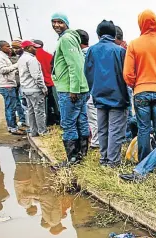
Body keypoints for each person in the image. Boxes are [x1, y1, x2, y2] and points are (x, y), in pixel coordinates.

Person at [123, 9, 156, 162]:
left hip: (141, 92)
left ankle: (145, 161)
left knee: (143, 129)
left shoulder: (134, 45)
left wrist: (137, 85)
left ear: (141, 23)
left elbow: (128, 73)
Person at [85, 20, 130, 167]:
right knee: (115, 131)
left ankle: (104, 159)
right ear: (113, 34)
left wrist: (94, 90)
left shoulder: (92, 50)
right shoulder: (119, 51)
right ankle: (113, 162)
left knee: (102, 129)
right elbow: (126, 75)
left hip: (99, 96)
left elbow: (88, 72)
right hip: (117, 97)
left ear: (98, 35)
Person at [51, 13, 90, 165]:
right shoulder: (71, 39)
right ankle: (81, 153)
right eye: (53, 22)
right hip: (78, 88)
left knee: (68, 124)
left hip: (70, 89)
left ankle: (72, 158)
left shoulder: (66, 39)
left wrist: (73, 89)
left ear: (66, 23)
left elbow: (74, 65)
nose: (56, 25)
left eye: (59, 22)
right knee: (81, 120)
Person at [18, 40, 48, 137]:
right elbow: (37, 76)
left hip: (26, 89)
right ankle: (43, 131)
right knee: (39, 111)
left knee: (31, 111)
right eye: (33, 47)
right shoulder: (31, 59)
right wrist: (44, 88)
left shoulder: (21, 58)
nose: (36, 49)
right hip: (35, 89)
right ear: (28, 48)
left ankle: (33, 131)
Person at [77, 29, 99, 149]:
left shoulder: (82, 55)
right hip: (97, 88)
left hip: (88, 89)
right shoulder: (94, 52)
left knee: (92, 116)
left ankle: (96, 141)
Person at [0, 40, 25, 135]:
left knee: (10, 107)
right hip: (7, 85)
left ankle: (12, 126)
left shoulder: (4, 56)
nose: (9, 48)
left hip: (9, 84)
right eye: (7, 46)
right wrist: (16, 66)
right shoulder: (0, 57)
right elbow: (2, 70)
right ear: (1, 47)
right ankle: (13, 128)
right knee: (11, 107)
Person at [33, 39, 60, 126]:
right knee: (55, 103)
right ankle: (56, 119)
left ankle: (47, 122)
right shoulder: (49, 55)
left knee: (43, 106)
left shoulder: (33, 57)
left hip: (40, 84)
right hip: (51, 82)